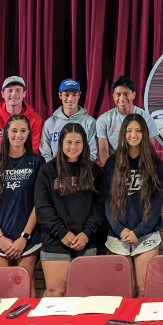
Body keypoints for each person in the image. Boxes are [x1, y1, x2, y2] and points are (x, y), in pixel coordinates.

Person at [35, 122, 104, 297]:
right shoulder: (47, 171)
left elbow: (98, 207)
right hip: (55, 241)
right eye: (69, 142)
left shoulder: (94, 171)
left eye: (78, 142)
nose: (73, 147)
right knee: (56, 292)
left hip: (85, 241)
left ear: (85, 144)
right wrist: (62, 233)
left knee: (85, 293)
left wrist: (87, 233)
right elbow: (43, 209)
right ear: (61, 144)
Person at [0, 115, 45, 290]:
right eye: (14, 130)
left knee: (25, 285)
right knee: (2, 288)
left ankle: (30, 319)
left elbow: (40, 203)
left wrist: (24, 237)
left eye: (23, 131)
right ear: (6, 133)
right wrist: (0, 238)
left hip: (27, 237)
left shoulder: (37, 162)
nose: (18, 135)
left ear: (29, 133)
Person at [104, 114, 163, 296]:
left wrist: (138, 232)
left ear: (144, 134)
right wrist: (121, 230)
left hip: (145, 236)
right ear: (123, 133)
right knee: (121, 291)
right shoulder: (112, 163)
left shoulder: (154, 164)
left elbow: (156, 205)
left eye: (138, 131)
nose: (133, 135)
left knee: (145, 289)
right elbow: (107, 202)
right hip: (118, 236)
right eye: (129, 131)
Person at [0, 76, 44, 166]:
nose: (14, 94)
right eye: (9, 90)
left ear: (24, 93)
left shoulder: (35, 119)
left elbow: (34, 149)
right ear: (2, 94)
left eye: (18, 90)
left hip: (25, 168)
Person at [96, 76, 158, 165]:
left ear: (133, 95)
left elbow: (148, 150)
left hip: (139, 165)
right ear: (113, 96)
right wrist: (111, 171)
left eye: (126, 94)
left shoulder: (147, 119)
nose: (122, 98)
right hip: (115, 166)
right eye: (118, 95)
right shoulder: (103, 120)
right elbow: (103, 152)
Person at [40, 79, 98, 162]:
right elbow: (45, 152)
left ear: (79, 95)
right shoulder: (50, 123)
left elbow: (92, 152)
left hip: (82, 171)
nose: (70, 99)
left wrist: (81, 171)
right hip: (56, 171)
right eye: (66, 95)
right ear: (60, 95)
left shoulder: (89, 122)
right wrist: (53, 170)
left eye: (74, 95)